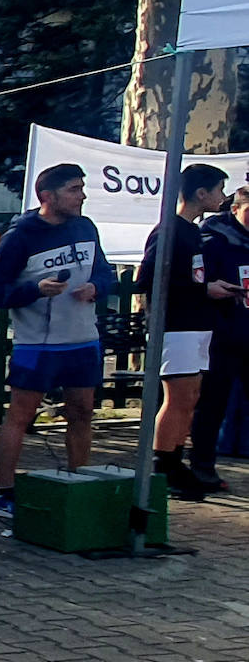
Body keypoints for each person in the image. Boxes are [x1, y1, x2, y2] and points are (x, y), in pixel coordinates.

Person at [0, 164, 116, 518]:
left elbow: (105, 271)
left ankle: (80, 482)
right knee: (21, 415)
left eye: (81, 188)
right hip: (37, 344)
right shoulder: (21, 235)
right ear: (48, 196)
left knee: (82, 411)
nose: (82, 196)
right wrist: (34, 290)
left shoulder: (86, 226)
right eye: (74, 189)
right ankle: (2, 492)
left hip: (82, 339)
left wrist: (97, 287)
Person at [137, 164, 235, 499]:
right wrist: (204, 290)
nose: (224, 197)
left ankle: (176, 458)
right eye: (220, 190)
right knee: (176, 397)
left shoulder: (194, 231)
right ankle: (162, 463)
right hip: (175, 325)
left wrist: (210, 287)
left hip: (197, 324)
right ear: (201, 193)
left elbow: (195, 279)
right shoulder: (169, 231)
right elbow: (148, 278)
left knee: (191, 396)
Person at [190, 183, 249, 491]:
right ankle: (202, 467)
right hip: (224, 335)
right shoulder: (213, 241)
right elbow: (196, 282)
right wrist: (214, 288)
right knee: (212, 404)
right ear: (235, 209)